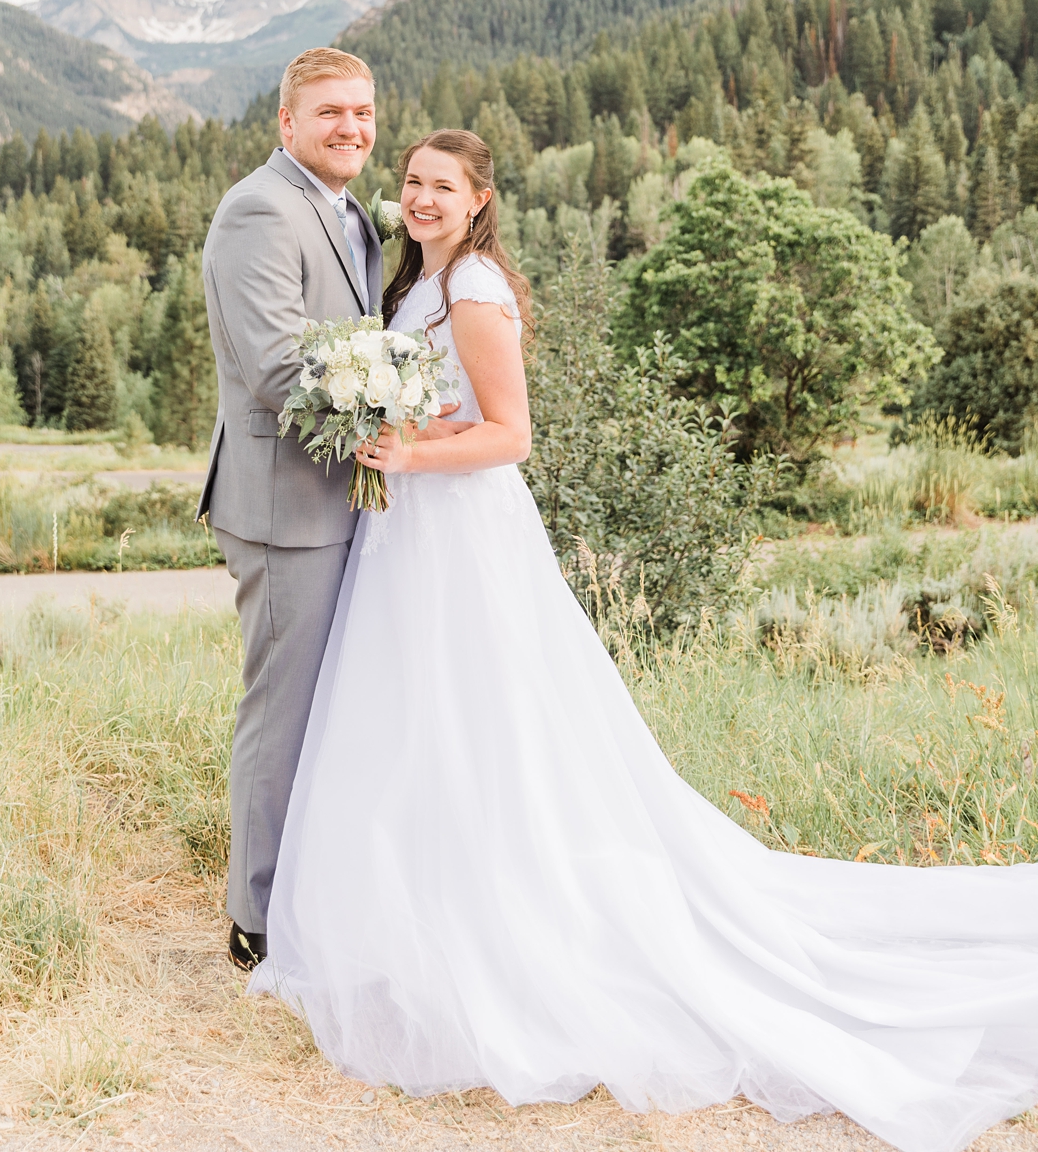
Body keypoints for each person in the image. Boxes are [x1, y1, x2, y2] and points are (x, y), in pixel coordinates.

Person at [250, 128, 1038, 1152]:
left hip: (460, 543)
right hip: (410, 541)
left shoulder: (475, 287)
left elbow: (510, 437)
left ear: (482, 199)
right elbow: (451, 414)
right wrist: (401, 435)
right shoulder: (419, 283)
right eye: (411, 183)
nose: (422, 198)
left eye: (443, 186)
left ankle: (499, 928)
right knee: (418, 727)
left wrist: (409, 449)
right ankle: (420, 924)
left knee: (478, 727)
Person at [197, 46, 385, 969]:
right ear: (287, 123)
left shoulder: (349, 214)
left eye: (363, 112)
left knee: (335, 705)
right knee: (283, 708)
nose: (351, 127)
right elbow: (277, 367)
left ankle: (318, 886)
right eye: (330, 114)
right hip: (285, 503)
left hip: (343, 497)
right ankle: (258, 919)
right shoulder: (260, 209)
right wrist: (396, 424)